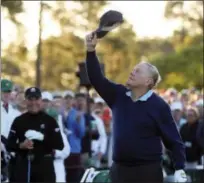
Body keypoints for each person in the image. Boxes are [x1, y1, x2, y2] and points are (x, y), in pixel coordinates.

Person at [85, 33, 187, 183]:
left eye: (138, 71)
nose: (132, 72)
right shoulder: (118, 95)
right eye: (133, 69)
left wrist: (179, 168)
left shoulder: (159, 106)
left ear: (148, 81)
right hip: (119, 171)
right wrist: (90, 50)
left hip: (147, 172)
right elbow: (96, 79)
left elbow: (173, 140)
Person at [6, 87, 64, 182]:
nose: (33, 103)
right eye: (30, 99)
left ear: (41, 100)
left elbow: (60, 145)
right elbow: (9, 145)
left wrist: (42, 137)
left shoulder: (50, 121)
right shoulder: (19, 121)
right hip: (24, 166)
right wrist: (21, 145)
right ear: (26, 101)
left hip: (44, 167)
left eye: (36, 99)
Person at [1, 79, 21, 182]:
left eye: (8, 92)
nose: (6, 94)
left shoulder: (15, 113)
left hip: (11, 154)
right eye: (4, 91)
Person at [64, 93, 86, 183]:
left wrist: (77, 122)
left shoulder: (77, 114)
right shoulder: (58, 112)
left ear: (73, 101)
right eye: (66, 98)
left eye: (70, 99)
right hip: (61, 151)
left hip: (74, 150)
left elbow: (81, 134)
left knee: (73, 178)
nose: (68, 101)